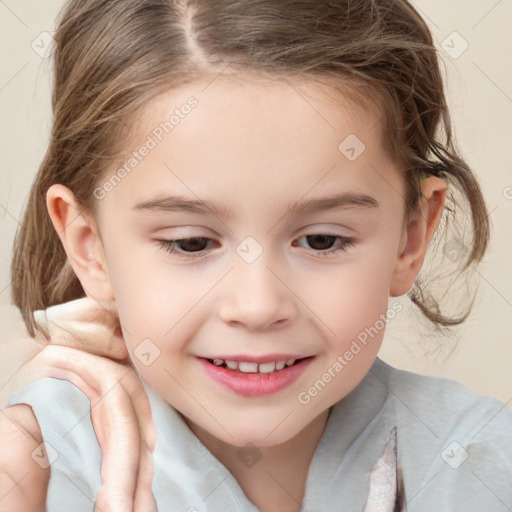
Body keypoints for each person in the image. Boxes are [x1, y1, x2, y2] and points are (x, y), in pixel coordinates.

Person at [0, 0, 510, 511]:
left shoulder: (486, 466)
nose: (259, 305)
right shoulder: (29, 470)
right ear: (90, 248)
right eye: (191, 243)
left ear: (410, 236)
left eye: (322, 240)